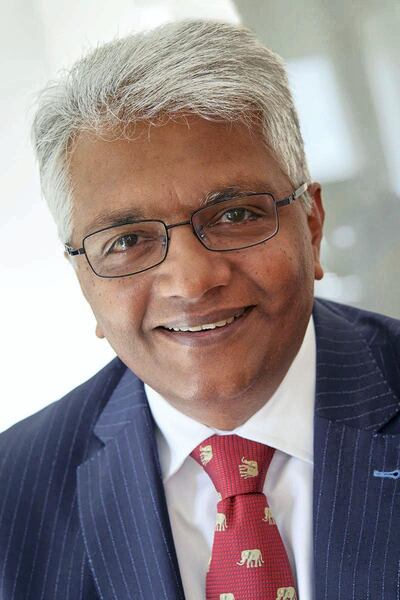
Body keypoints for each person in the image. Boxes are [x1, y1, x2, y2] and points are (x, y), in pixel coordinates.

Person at [0, 19, 399, 600]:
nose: (191, 283)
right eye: (127, 241)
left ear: (311, 226)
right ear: (83, 281)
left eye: (235, 215)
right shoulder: (13, 495)